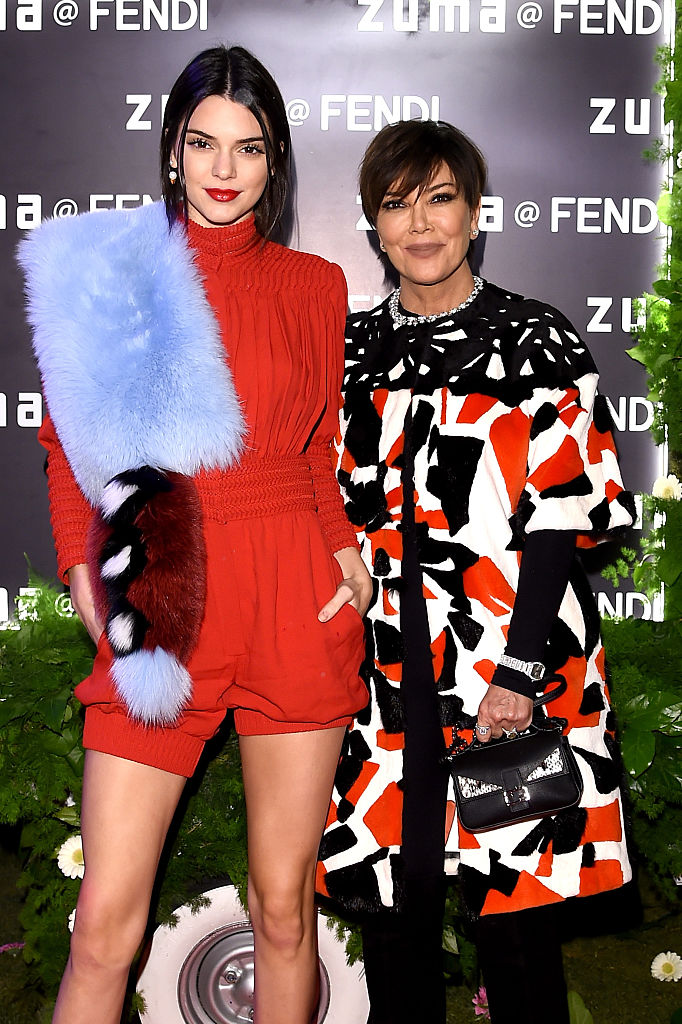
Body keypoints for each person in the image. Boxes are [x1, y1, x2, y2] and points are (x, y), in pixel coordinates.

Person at [18, 45, 371, 1024]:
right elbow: (66, 447)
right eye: (203, 143)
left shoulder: (314, 284)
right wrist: (84, 570)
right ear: (172, 148)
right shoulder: (116, 273)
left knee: (284, 912)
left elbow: (314, 451)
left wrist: (344, 550)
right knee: (104, 930)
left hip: (294, 600)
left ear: (274, 159)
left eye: (248, 148)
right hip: (166, 592)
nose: (224, 168)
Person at [316, 119, 635, 1024]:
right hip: (380, 673)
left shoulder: (536, 339)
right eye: (397, 204)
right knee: (394, 910)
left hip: (507, 660)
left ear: (477, 211)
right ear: (374, 224)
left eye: (440, 198)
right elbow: (318, 498)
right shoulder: (348, 350)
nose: (420, 224)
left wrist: (521, 670)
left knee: (517, 920)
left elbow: (564, 517)